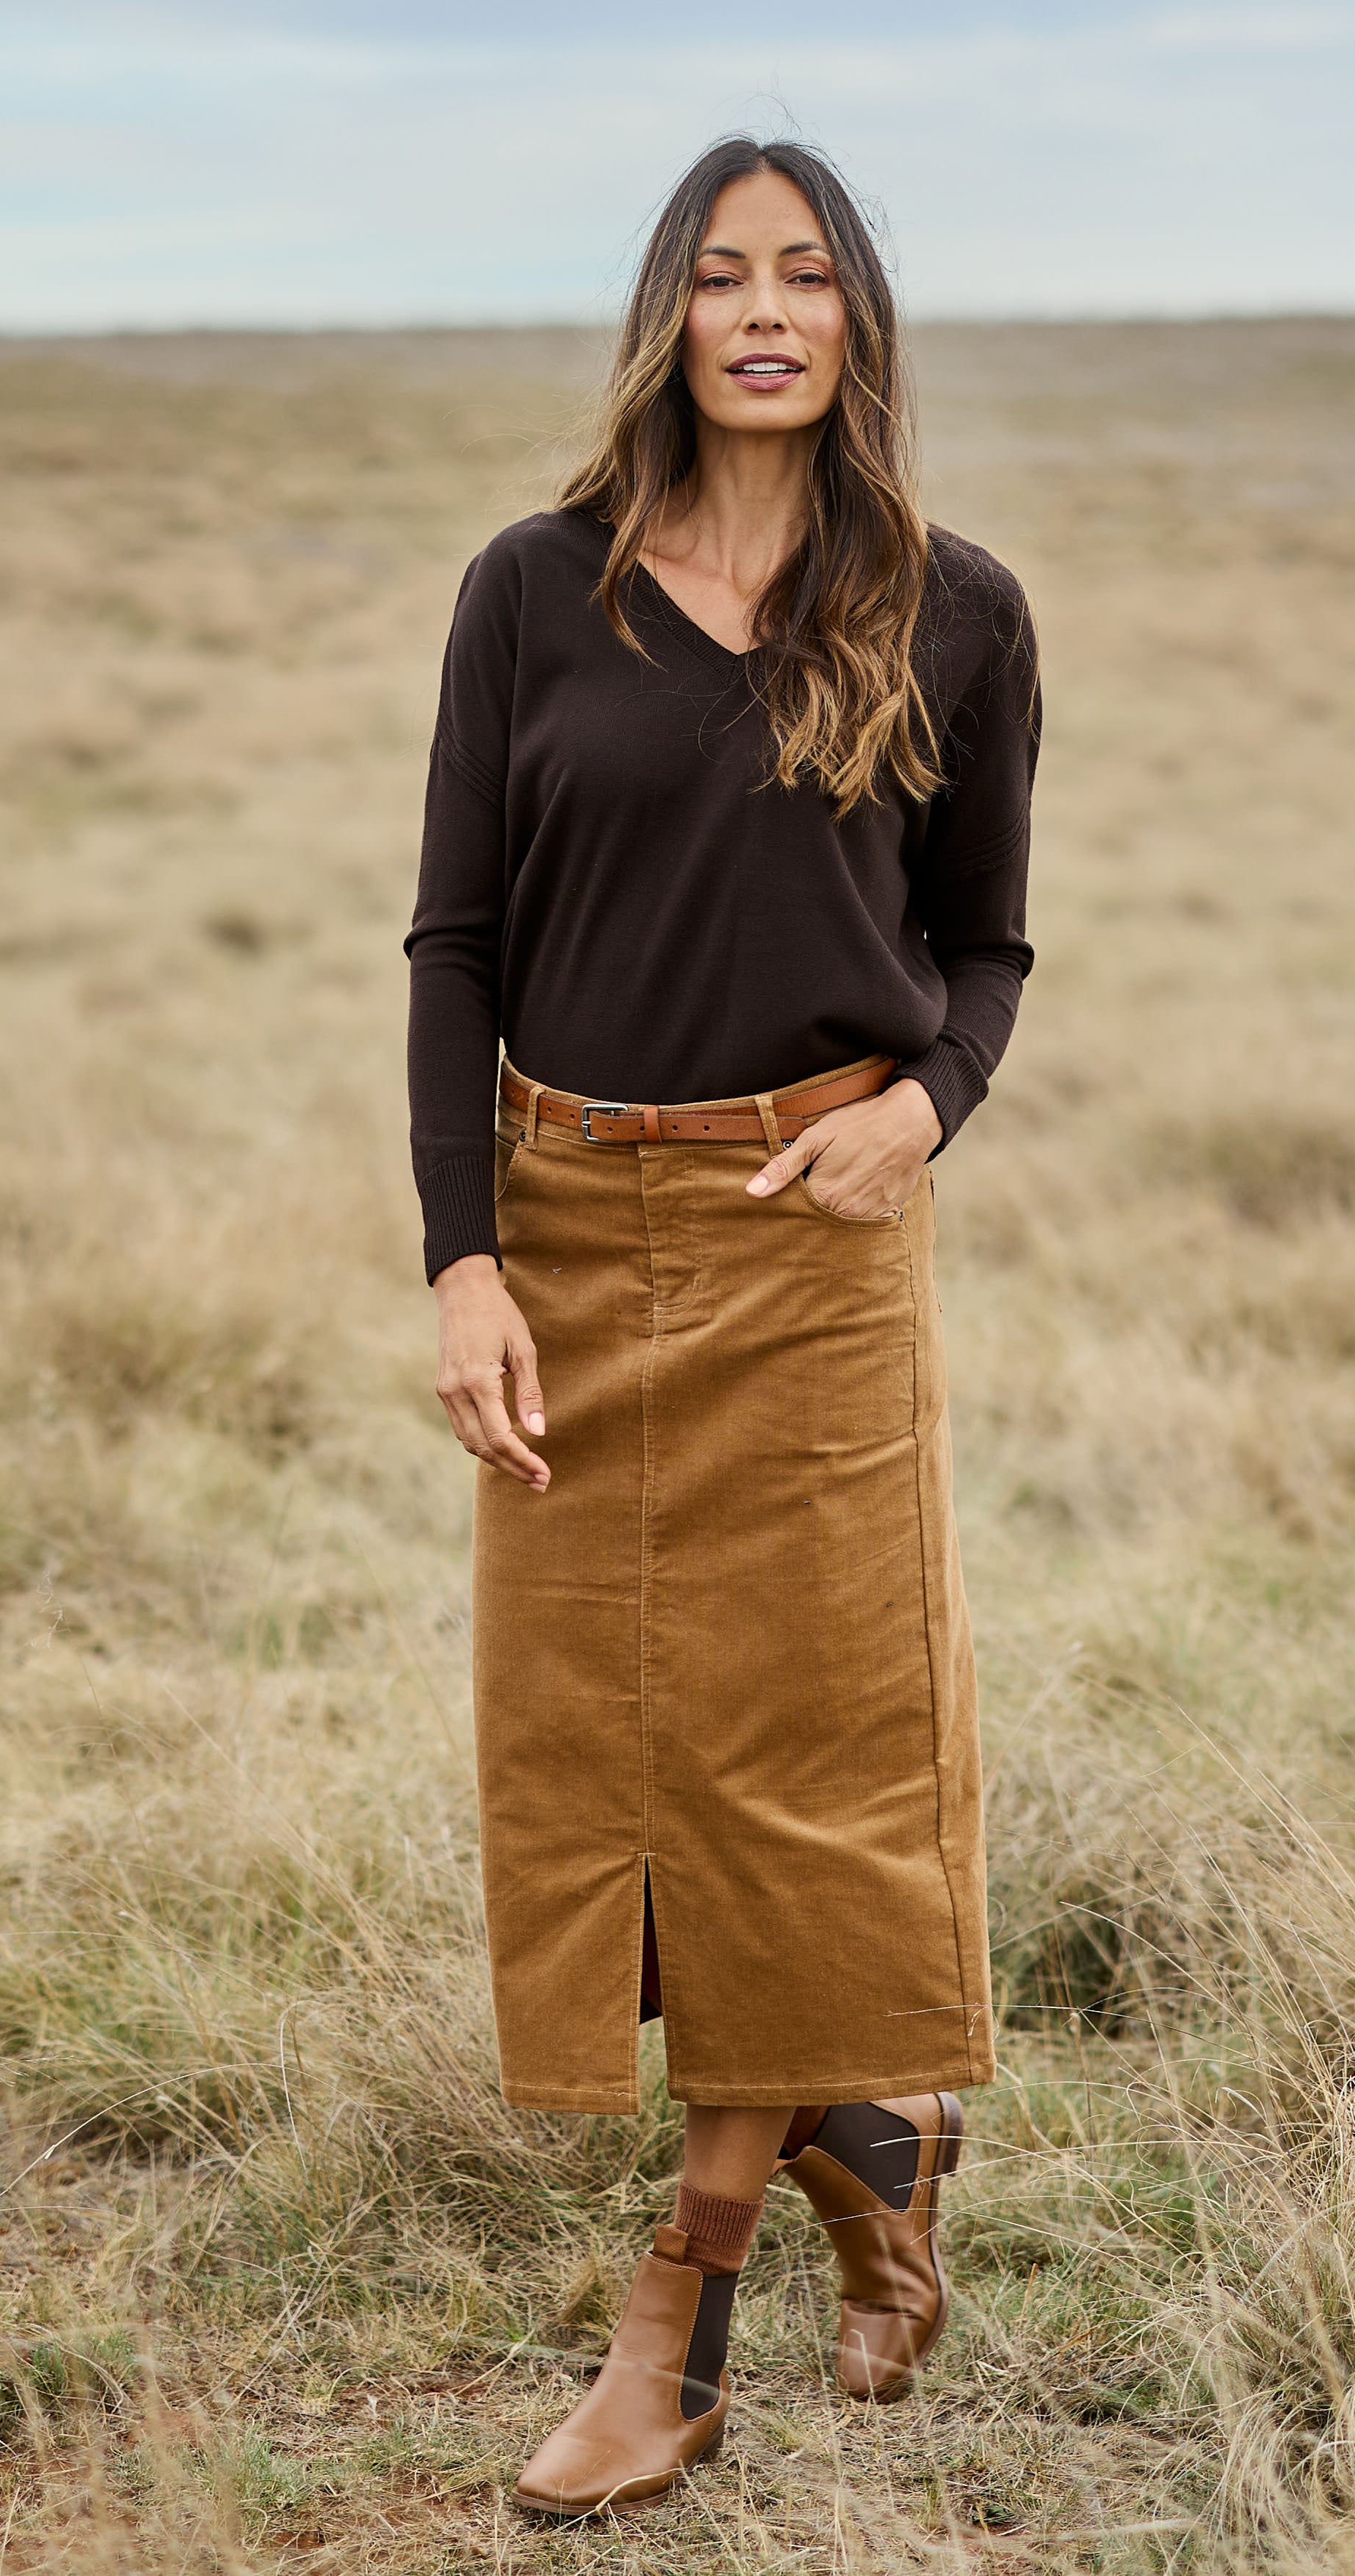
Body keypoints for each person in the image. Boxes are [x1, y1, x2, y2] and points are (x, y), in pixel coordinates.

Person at [404, 134, 1040, 2518]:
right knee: (614, 1778)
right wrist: (461, 1255)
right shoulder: (529, 593)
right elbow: (452, 942)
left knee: (787, 1777)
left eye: (804, 275)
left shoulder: (953, 610)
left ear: (857, 319)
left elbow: (982, 946)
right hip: (567, 1233)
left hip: (806, 1245)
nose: (762, 311)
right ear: (666, 315)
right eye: (718, 273)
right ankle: (869, 2129)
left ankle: (674, 2321)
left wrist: (929, 1110)